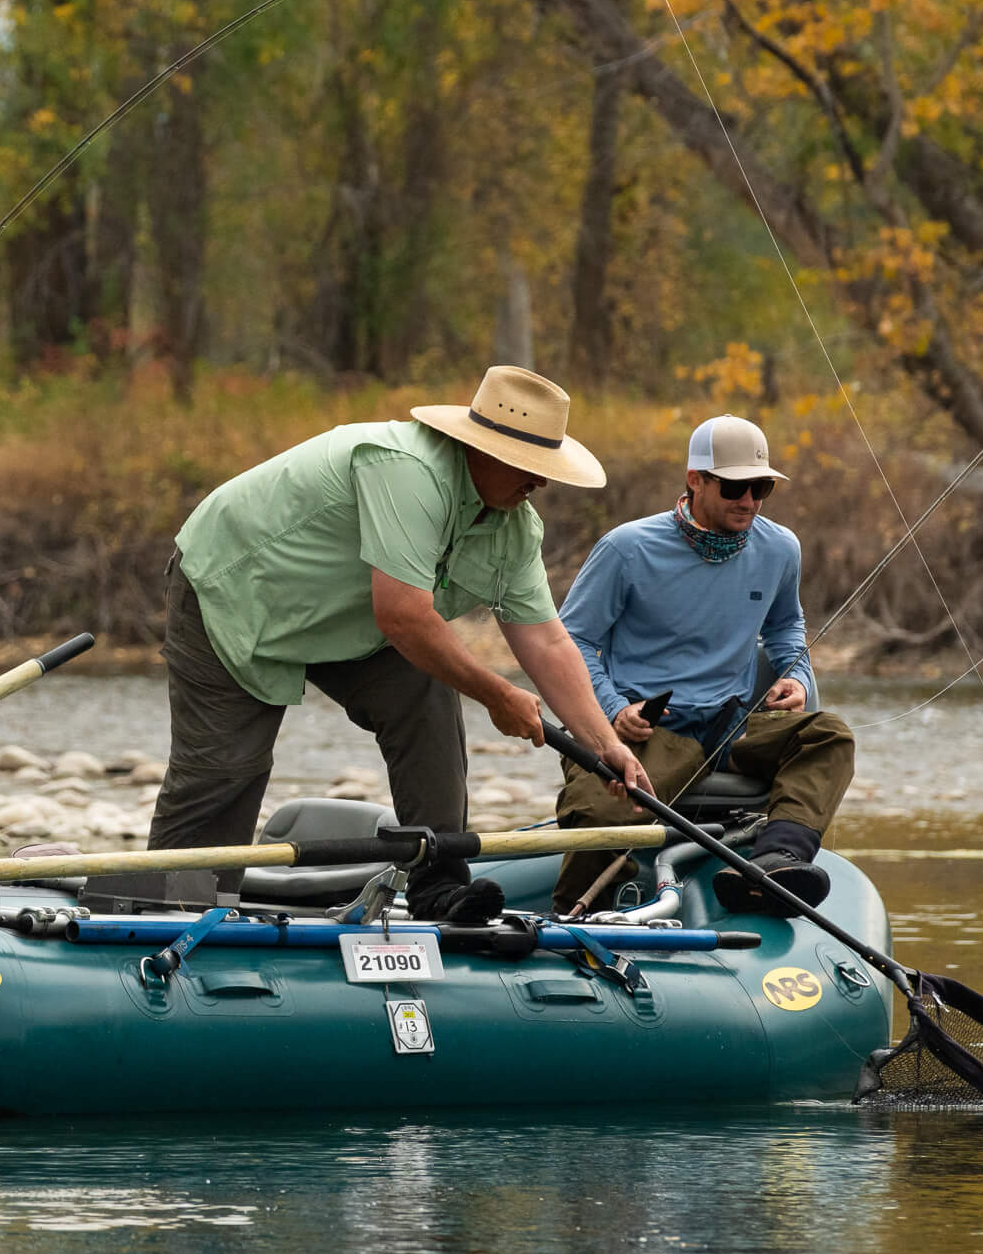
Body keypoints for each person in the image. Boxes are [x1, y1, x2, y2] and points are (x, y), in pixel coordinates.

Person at [147, 365, 648, 922]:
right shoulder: (406, 469)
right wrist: (498, 695)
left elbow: (548, 642)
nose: (542, 484)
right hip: (234, 589)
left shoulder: (515, 527)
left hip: (349, 617)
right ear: (481, 449)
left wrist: (606, 744)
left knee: (428, 699)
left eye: (546, 470)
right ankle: (168, 913)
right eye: (530, 468)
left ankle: (437, 886)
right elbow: (405, 617)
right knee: (226, 770)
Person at [551, 413, 855, 912]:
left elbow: (784, 628)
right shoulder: (626, 549)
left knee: (829, 736)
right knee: (598, 814)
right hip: (651, 728)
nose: (750, 501)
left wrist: (795, 675)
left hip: (731, 722)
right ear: (696, 480)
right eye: (737, 487)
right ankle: (579, 915)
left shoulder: (781, 548)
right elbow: (572, 642)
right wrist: (611, 710)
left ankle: (776, 862)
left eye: (762, 488)